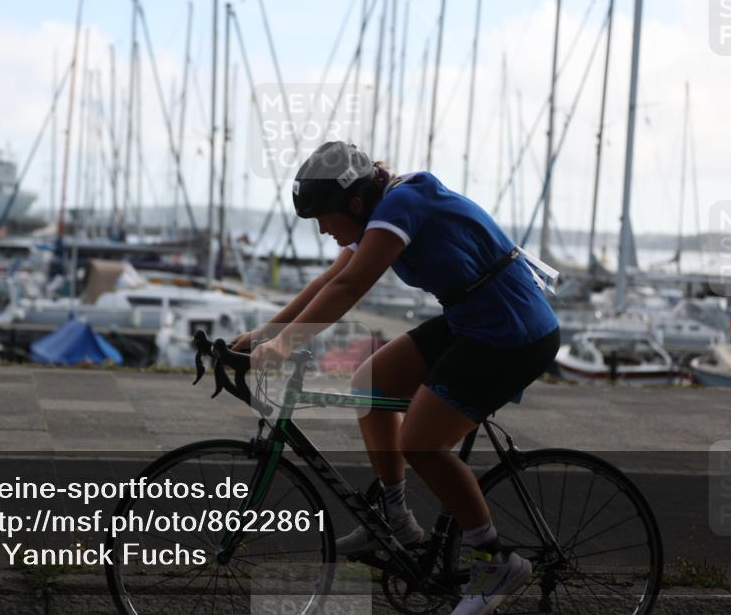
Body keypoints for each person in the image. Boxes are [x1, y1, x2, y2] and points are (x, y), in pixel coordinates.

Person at [232, 141, 560, 615]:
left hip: (514, 331)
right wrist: (266, 332)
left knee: (422, 442)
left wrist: (288, 343)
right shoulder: (380, 209)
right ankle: (396, 519)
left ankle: (497, 561)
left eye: (323, 218)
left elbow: (351, 285)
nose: (322, 230)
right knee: (371, 383)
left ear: (356, 204)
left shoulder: (404, 203)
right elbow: (329, 280)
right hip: (473, 318)